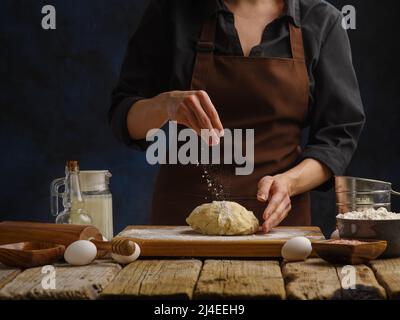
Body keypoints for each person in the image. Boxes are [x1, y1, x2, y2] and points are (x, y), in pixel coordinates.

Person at [109, 0, 365, 232]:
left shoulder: (321, 21)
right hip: (180, 225)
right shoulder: (171, 13)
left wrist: (289, 182)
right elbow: (123, 118)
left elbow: (337, 137)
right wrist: (164, 106)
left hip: (277, 227)